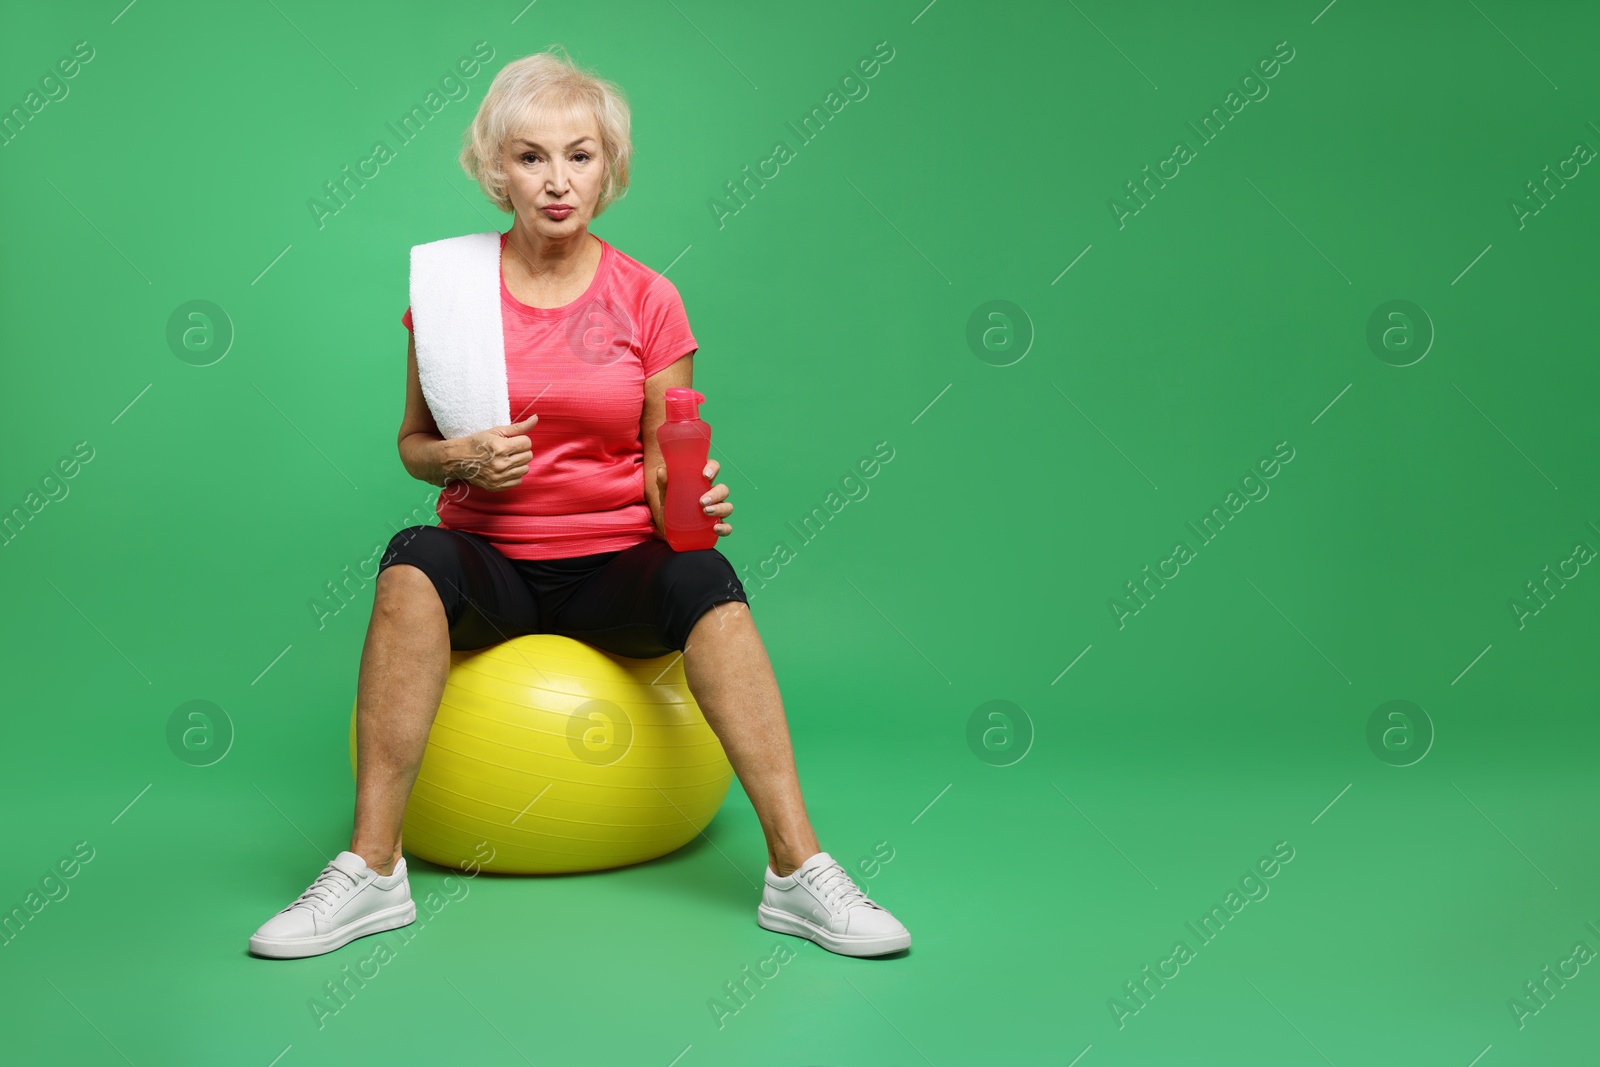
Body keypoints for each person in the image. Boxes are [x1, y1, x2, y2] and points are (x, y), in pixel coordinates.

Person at [247, 47, 910, 961]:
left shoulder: (649, 297)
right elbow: (411, 446)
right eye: (531, 156)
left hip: (613, 567)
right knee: (410, 557)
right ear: (496, 172)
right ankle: (370, 871)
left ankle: (800, 873)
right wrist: (457, 458)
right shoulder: (449, 292)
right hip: (491, 565)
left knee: (707, 574)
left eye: (580, 154)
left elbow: (660, 451)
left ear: (610, 167)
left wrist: (695, 493)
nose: (558, 180)